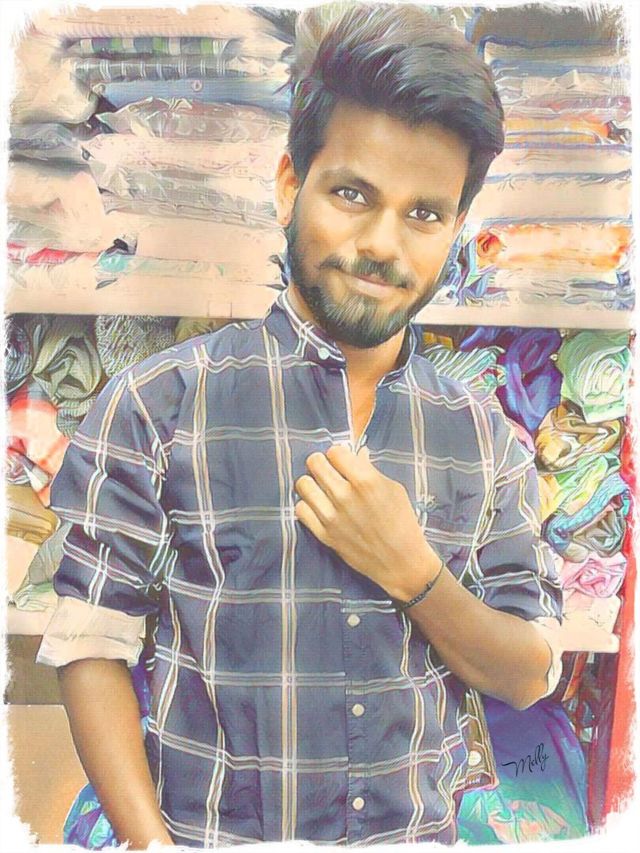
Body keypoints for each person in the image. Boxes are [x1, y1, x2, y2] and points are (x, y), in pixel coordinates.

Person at [37, 3, 564, 847]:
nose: (382, 244)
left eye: (425, 214)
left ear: (456, 229)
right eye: (353, 194)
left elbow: (530, 673)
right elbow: (90, 642)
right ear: (291, 183)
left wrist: (414, 571)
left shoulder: (484, 436)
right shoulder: (158, 406)